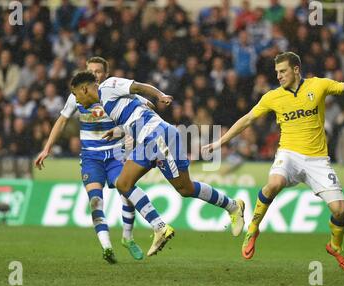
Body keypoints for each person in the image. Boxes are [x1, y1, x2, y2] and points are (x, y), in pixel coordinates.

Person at [203, 52, 344, 273]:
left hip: (317, 159)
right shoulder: (273, 97)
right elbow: (248, 119)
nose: (279, 76)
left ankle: (335, 246)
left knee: (340, 211)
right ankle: (253, 227)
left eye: (283, 71)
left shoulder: (318, 85)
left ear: (296, 69)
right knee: (274, 183)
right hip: (289, 153)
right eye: (277, 72)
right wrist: (220, 142)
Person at [69, 71, 245, 256]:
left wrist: (159, 95)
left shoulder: (108, 86)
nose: (77, 100)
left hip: (160, 138)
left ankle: (233, 206)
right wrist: (119, 130)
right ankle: (159, 227)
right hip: (147, 143)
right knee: (123, 183)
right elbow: (142, 108)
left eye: (75, 95)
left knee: (185, 189)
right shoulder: (106, 102)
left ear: (84, 89)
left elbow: (138, 86)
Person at [35, 57, 147, 264]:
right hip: (91, 157)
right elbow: (61, 121)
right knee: (96, 201)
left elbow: (140, 101)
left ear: (105, 74)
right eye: (91, 71)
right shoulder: (77, 95)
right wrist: (47, 148)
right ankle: (107, 247)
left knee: (127, 193)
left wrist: (146, 104)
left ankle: (127, 237)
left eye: (98, 71)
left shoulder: (114, 92)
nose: (94, 74)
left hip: (115, 154)